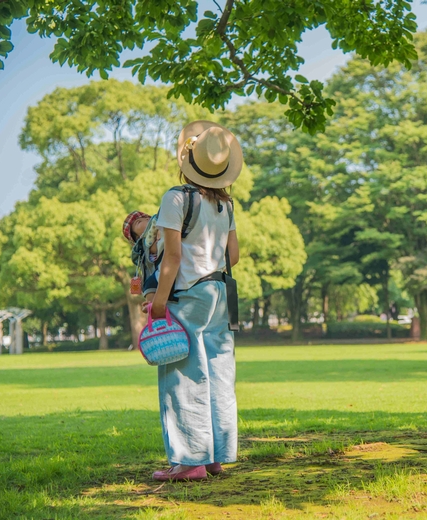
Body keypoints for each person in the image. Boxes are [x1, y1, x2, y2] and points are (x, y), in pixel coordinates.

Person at [147, 120, 242, 482]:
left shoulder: (176, 198)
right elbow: (234, 253)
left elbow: (171, 259)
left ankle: (190, 462)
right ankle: (215, 456)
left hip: (188, 294)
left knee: (184, 377)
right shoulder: (225, 205)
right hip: (220, 293)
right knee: (218, 373)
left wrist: (159, 301)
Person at [123, 211, 161, 304]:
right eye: (139, 222)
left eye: (147, 218)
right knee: (149, 285)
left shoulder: (160, 222)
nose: (147, 220)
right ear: (138, 237)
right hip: (158, 270)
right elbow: (155, 249)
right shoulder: (146, 242)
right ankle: (150, 305)